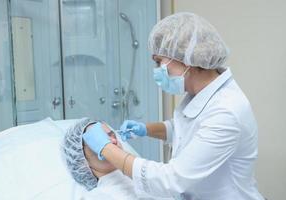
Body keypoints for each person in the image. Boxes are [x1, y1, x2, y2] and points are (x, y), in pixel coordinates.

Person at [83, 12, 264, 199]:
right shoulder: (200, 92)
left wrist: (106, 148)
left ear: (186, 57)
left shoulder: (226, 111)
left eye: (159, 61)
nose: (157, 70)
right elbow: (184, 128)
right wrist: (145, 129)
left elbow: (172, 180)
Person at [62, 118, 172, 200]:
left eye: (112, 135)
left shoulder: (151, 176)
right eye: (99, 141)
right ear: (82, 162)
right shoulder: (95, 197)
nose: (113, 142)